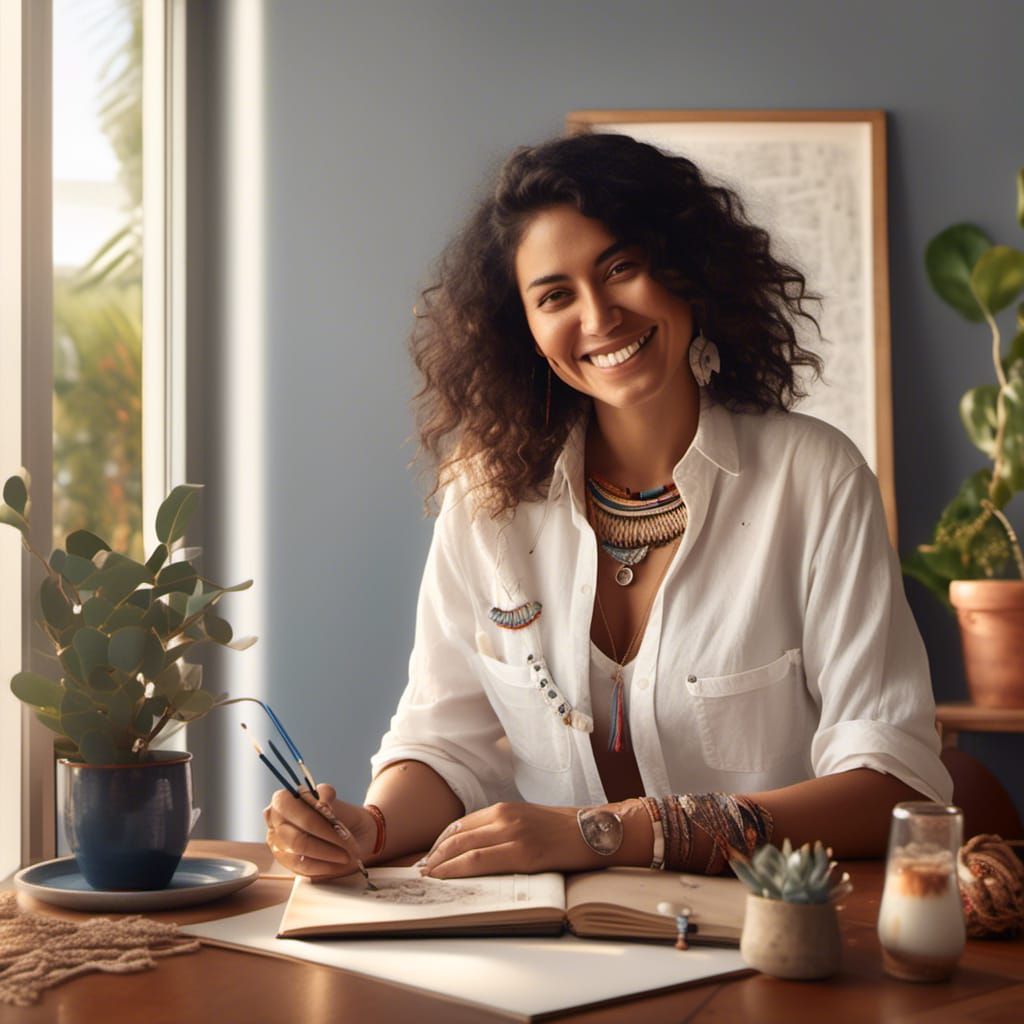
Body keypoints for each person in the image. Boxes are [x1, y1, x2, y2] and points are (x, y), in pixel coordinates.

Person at [264, 132, 951, 881]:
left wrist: (609, 832)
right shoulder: (485, 493)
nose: (598, 316)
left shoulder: (815, 478)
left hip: (763, 941)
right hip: (549, 954)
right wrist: (368, 826)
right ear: (522, 328)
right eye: (555, 295)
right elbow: (445, 741)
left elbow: (893, 781)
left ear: (685, 268)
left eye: (621, 268)